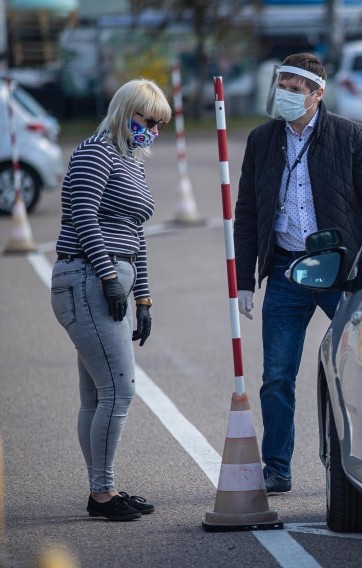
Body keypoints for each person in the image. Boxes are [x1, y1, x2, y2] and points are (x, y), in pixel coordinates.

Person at [234, 53, 362, 494]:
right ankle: (276, 467)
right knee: (277, 377)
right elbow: (246, 213)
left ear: (317, 94)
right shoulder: (262, 141)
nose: (284, 94)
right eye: (280, 85)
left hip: (341, 272)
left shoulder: (351, 137)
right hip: (285, 270)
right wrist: (244, 280)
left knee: (360, 370)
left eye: (293, 88)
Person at [50, 79, 171, 521]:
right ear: (125, 112)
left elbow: (136, 234)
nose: (152, 130)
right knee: (119, 391)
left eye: (158, 124)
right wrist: (107, 275)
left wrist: (143, 297)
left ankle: (102, 488)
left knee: (97, 395)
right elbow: (82, 215)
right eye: (146, 119)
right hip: (86, 274)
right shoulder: (96, 151)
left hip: (112, 275)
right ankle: (102, 494)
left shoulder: (131, 160)